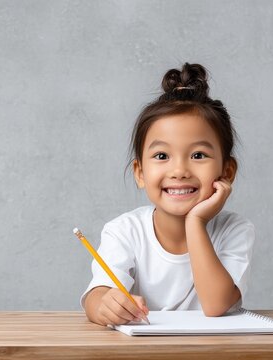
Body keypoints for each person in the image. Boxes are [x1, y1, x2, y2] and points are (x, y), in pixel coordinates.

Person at [82, 63, 255, 326]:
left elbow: (216, 305)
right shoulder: (124, 231)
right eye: (162, 156)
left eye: (198, 155)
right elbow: (97, 296)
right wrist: (105, 304)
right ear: (140, 172)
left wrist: (195, 222)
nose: (179, 170)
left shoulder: (234, 230)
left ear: (227, 171)